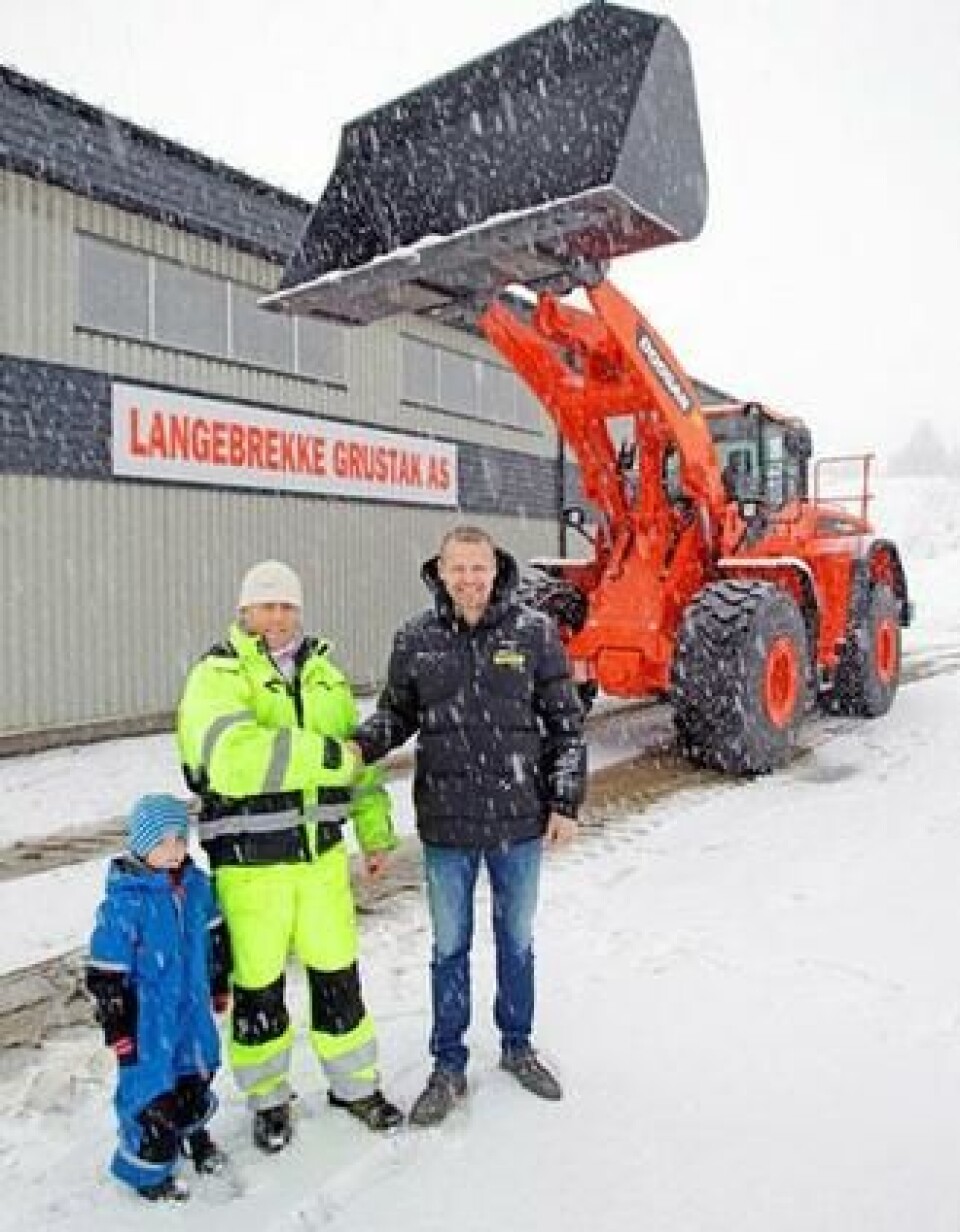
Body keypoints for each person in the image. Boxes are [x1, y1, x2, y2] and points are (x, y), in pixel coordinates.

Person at [355, 525, 586, 1127]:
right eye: (457, 568)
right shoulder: (416, 638)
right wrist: (359, 747)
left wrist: (565, 801)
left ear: (495, 568)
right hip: (447, 825)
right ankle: (448, 1063)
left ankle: (517, 1045)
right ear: (440, 570)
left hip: (518, 821)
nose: (468, 579)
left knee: (516, 941)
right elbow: (395, 713)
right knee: (449, 948)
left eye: (477, 567)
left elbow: (565, 722)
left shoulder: (532, 633)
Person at [177, 560, 402, 1153]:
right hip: (250, 870)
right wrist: (330, 758)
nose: (276, 618)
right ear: (243, 611)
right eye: (264, 606)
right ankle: (269, 1099)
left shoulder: (324, 675)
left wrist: (374, 831)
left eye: (286, 606)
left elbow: (364, 768)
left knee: (338, 981)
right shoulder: (218, 674)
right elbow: (233, 758)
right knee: (258, 991)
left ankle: (354, 1086)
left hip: (322, 863)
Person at [86, 793, 229, 1203]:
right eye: (160, 843)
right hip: (147, 1019)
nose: (172, 852)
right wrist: (117, 1023)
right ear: (140, 845)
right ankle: (146, 1170)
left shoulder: (197, 887)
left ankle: (191, 1134)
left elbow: (214, 938)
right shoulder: (125, 902)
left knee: (194, 1074)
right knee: (151, 1093)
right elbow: (106, 971)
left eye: (179, 841)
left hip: (191, 1008)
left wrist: (219, 983)